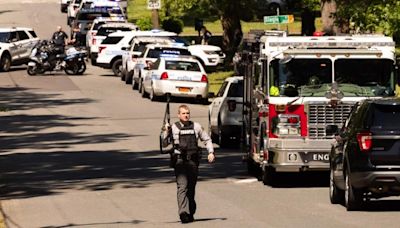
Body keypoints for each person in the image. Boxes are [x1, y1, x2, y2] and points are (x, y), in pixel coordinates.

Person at [162, 104, 215, 224]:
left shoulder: (196, 127)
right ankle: (183, 213)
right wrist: (166, 131)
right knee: (182, 187)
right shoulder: (173, 127)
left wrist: (210, 152)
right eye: (183, 113)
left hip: (193, 161)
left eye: (187, 113)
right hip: (180, 161)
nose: (186, 115)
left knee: (191, 188)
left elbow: (206, 139)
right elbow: (164, 144)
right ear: (178, 115)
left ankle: (191, 210)